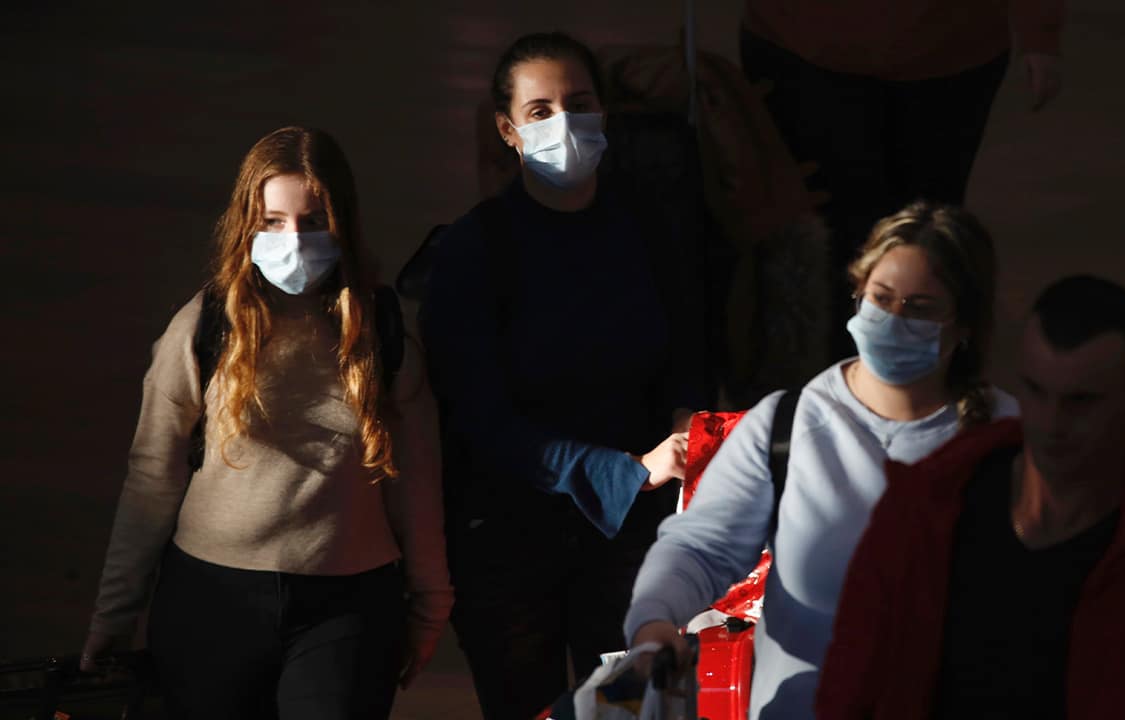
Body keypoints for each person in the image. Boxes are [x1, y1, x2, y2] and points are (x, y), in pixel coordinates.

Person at [80, 127, 453, 720]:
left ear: (343, 222)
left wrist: (431, 600)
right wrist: (114, 617)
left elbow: (418, 479)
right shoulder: (204, 325)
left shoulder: (382, 331)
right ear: (246, 225)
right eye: (273, 222)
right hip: (210, 601)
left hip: (349, 605)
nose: (294, 240)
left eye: (313, 220)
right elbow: (152, 478)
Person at [816, 275, 1125, 718]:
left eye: (1082, 401)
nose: (1052, 424)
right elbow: (849, 690)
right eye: (1036, 392)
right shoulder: (924, 518)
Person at [625, 201, 1019, 720]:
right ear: (857, 292)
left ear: (965, 325)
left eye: (921, 307)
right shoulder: (786, 428)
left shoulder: (1008, 439)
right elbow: (701, 548)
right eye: (880, 298)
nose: (894, 320)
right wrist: (653, 623)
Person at [414, 32, 706, 720]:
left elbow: (688, 360)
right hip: (511, 551)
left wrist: (686, 426)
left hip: (631, 539)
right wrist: (630, 469)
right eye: (540, 111)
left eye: (579, 103)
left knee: (633, 712)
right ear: (508, 132)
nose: (565, 123)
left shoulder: (652, 233)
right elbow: (482, 422)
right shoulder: (474, 250)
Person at [739, 0, 1065, 364]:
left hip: (950, 49)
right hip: (802, 44)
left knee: (926, 238)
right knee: (829, 240)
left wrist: (1041, 30)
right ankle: (841, 388)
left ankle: (920, 379)